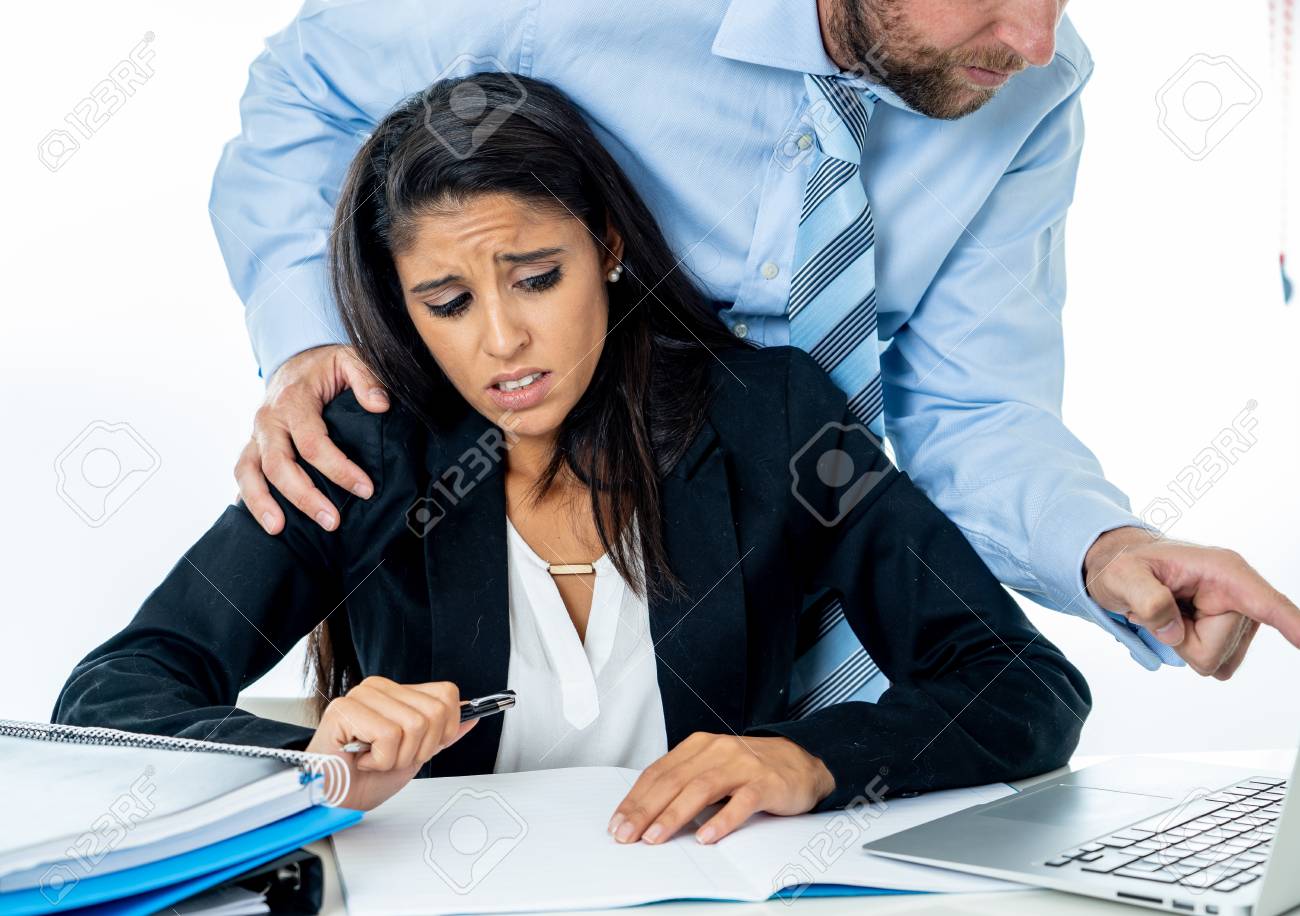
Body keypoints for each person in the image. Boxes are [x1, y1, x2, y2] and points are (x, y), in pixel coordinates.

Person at [55, 75, 1088, 842]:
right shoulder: (366, 450)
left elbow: (1021, 685)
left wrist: (811, 757)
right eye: (447, 304)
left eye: (536, 277)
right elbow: (110, 696)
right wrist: (309, 765)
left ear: (606, 247)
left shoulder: (771, 421)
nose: (501, 340)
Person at [211, 0, 1300, 683]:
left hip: (846, 622)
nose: (1034, 37)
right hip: (560, 568)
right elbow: (305, 85)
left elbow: (969, 407)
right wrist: (308, 339)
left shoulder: (1029, 95)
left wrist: (1101, 546)